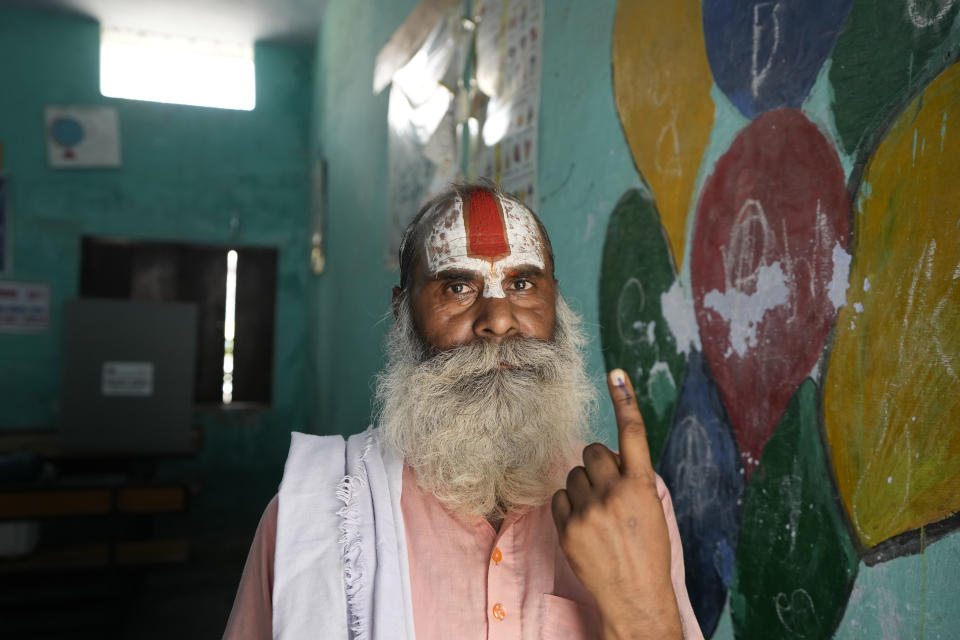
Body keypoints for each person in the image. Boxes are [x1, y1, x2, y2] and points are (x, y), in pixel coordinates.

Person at [223, 182, 703, 640]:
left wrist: (641, 612)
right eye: (458, 288)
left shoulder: (632, 501)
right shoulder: (314, 517)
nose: (497, 320)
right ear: (402, 313)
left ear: (555, 302)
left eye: (520, 284)